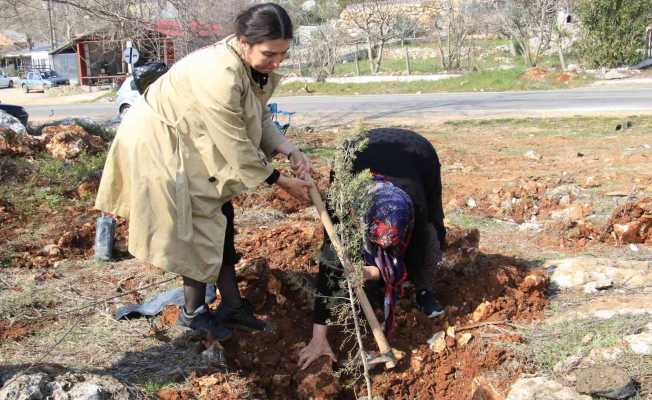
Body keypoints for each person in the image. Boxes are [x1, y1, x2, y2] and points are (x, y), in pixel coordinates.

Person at [95, 3, 311, 342]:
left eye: (283, 54)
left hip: (192, 142)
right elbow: (235, 143)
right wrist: (280, 181)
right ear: (244, 41)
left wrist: (288, 148)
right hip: (160, 144)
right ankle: (193, 314)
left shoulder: (250, 68)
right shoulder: (220, 74)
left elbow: (259, 116)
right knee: (195, 225)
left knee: (220, 215)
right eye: (270, 54)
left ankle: (232, 306)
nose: (277, 62)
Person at [298, 128, 446, 369]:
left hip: (418, 153)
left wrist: (373, 272)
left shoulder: (415, 207)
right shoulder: (342, 204)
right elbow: (330, 261)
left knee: (431, 233)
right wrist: (318, 338)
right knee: (338, 250)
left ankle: (424, 291)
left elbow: (414, 250)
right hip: (357, 155)